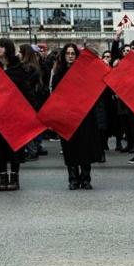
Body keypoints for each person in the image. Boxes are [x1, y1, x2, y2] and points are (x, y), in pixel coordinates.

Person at [50, 43, 104, 190]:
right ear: (63, 56)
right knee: (70, 148)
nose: (70, 56)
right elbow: (55, 97)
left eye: (73, 53)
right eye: (67, 53)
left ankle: (86, 178)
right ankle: (73, 179)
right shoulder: (58, 75)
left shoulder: (84, 73)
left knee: (85, 146)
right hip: (66, 117)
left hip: (84, 115)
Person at [0, 38, 37, 191]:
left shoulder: (19, 69)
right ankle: (3, 176)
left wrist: (32, 112)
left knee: (15, 147)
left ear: (8, 49)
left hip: (14, 115)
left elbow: (27, 92)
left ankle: (14, 176)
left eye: (1, 46)